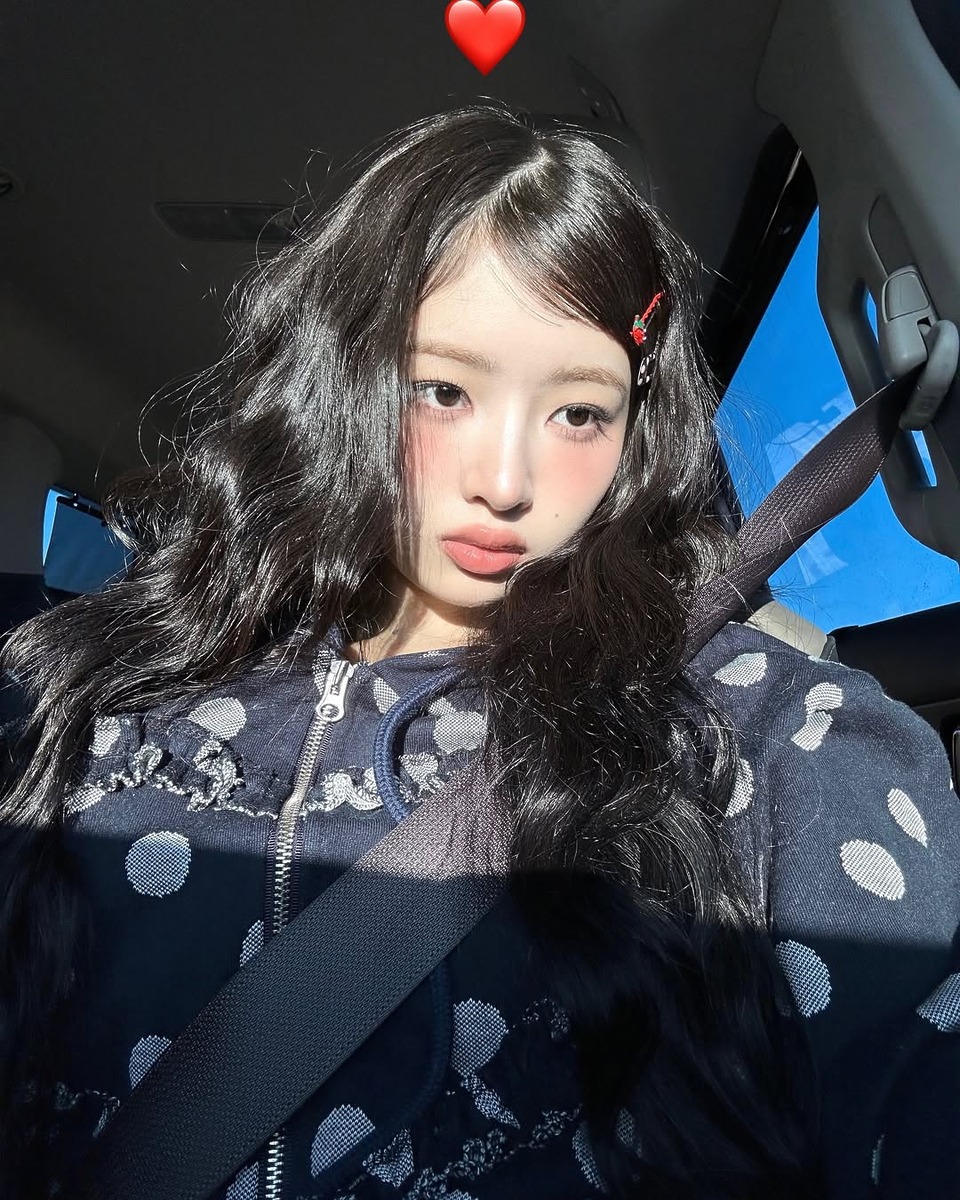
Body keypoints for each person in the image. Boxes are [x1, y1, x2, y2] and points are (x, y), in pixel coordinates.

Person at [1, 103, 958, 1200]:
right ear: (342, 379)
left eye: (580, 414)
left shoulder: (757, 724)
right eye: (444, 390)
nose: (506, 483)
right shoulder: (97, 697)